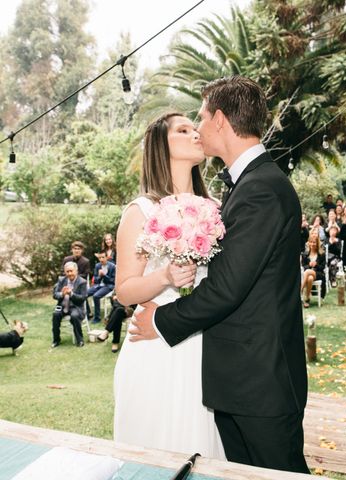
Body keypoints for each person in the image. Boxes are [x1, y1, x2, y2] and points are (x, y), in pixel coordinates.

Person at [129, 77, 309, 473]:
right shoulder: (247, 184)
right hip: (240, 381)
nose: (199, 126)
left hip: (262, 382)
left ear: (221, 121)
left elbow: (228, 287)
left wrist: (159, 320)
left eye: (202, 116)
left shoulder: (261, 188)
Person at [110, 111, 226, 460]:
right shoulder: (141, 211)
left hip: (206, 347)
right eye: (183, 130)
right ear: (161, 145)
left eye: (196, 127)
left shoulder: (217, 209)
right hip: (155, 347)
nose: (195, 134)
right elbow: (125, 290)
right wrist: (164, 276)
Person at [51, 261, 88, 348]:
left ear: (76, 271)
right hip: (62, 305)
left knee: (75, 316)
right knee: (55, 314)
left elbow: (83, 298)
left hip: (76, 306)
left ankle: (80, 340)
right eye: (67, 271)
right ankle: (56, 340)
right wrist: (62, 294)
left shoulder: (82, 282)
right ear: (65, 272)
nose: (69, 273)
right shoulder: (61, 280)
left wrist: (71, 294)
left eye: (71, 271)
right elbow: (55, 295)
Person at [87, 251, 116, 323]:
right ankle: (88, 314)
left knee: (96, 296)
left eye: (103, 257)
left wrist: (104, 275)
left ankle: (97, 317)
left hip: (108, 286)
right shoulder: (97, 266)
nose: (101, 259)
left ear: (107, 257)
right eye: (99, 258)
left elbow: (113, 281)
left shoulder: (112, 266)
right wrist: (99, 276)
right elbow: (96, 280)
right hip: (98, 285)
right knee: (84, 294)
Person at [301, 228, 326, 307]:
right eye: (311, 242)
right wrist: (309, 265)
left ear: (317, 243)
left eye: (314, 242)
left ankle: (299, 291)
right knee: (310, 278)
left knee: (308, 272)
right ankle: (307, 299)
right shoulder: (305, 254)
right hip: (308, 275)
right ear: (308, 243)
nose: (312, 244)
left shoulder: (321, 254)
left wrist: (315, 265)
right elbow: (303, 266)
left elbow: (322, 267)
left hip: (318, 274)